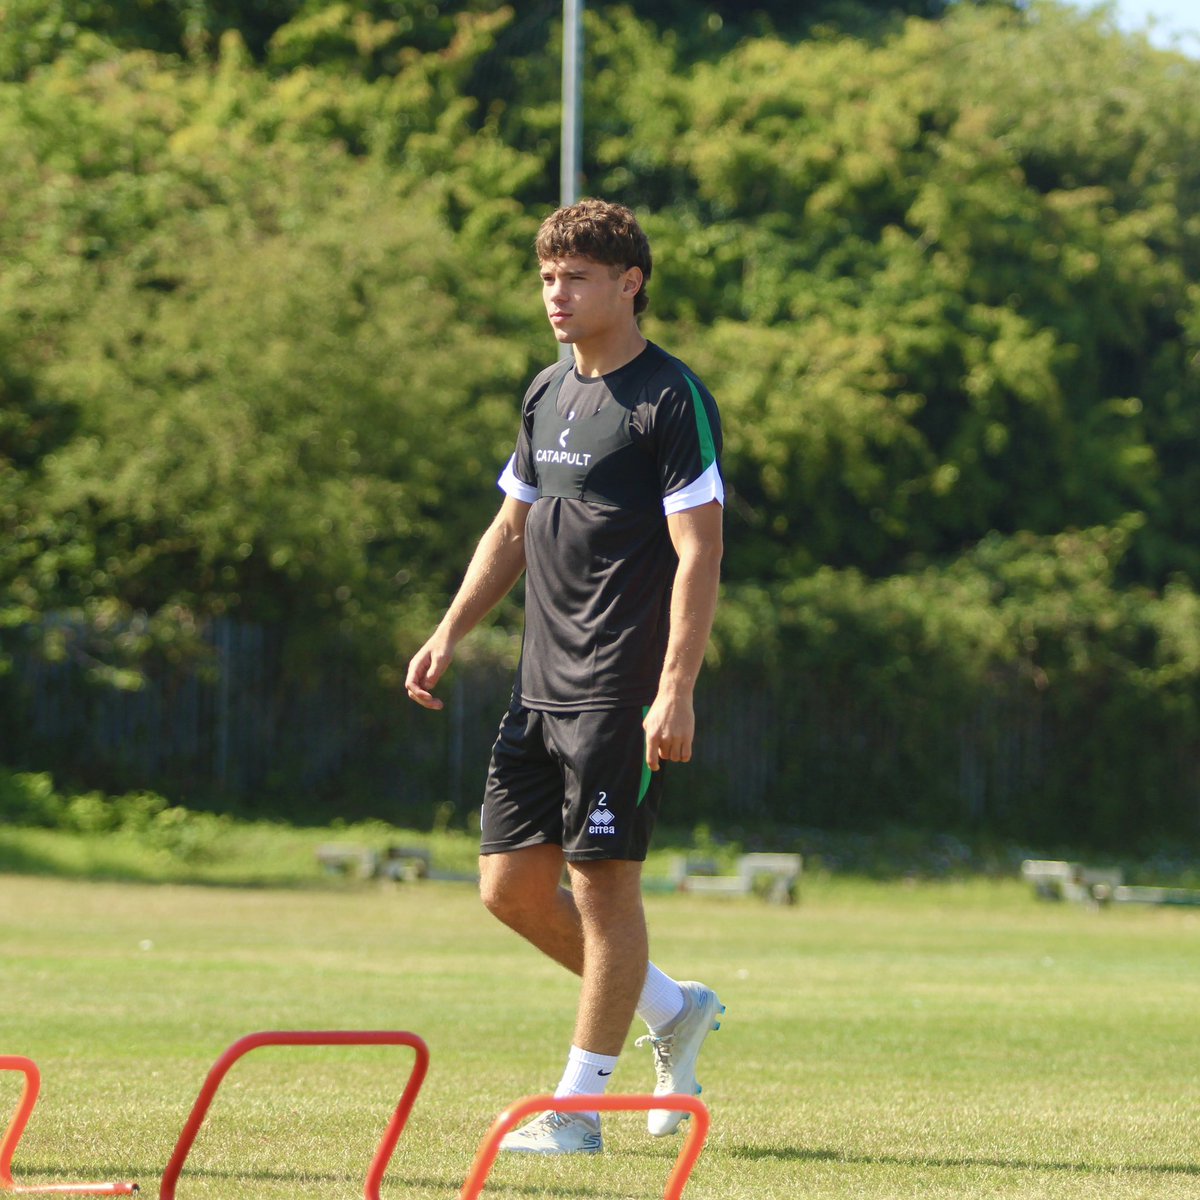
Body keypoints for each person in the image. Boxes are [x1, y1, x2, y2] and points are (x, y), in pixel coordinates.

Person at [405, 198, 725, 1155]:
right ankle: (673, 1008)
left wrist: (676, 686)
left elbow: (699, 550)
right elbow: (511, 526)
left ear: (629, 284)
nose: (557, 293)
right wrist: (450, 629)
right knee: (507, 890)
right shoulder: (545, 393)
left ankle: (579, 1110)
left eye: (577, 277)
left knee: (601, 888)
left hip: (619, 690)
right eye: (548, 276)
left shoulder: (670, 399)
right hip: (538, 686)